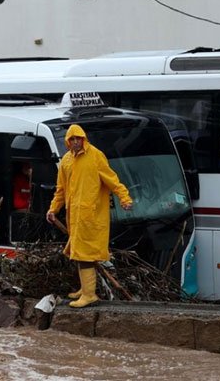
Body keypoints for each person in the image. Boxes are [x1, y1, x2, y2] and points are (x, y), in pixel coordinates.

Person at [46, 124, 133, 308]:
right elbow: (61, 190)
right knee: (79, 253)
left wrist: (124, 197)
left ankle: (89, 294)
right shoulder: (67, 161)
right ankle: (85, 289)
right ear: (68, 141)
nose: (75, 142)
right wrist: (53, 208)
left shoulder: (95, 156)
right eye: (72, 139)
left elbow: (112, 180)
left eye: (78, 138)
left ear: (83, 139)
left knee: (85, 255)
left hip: (92, 217)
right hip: (75, 217)